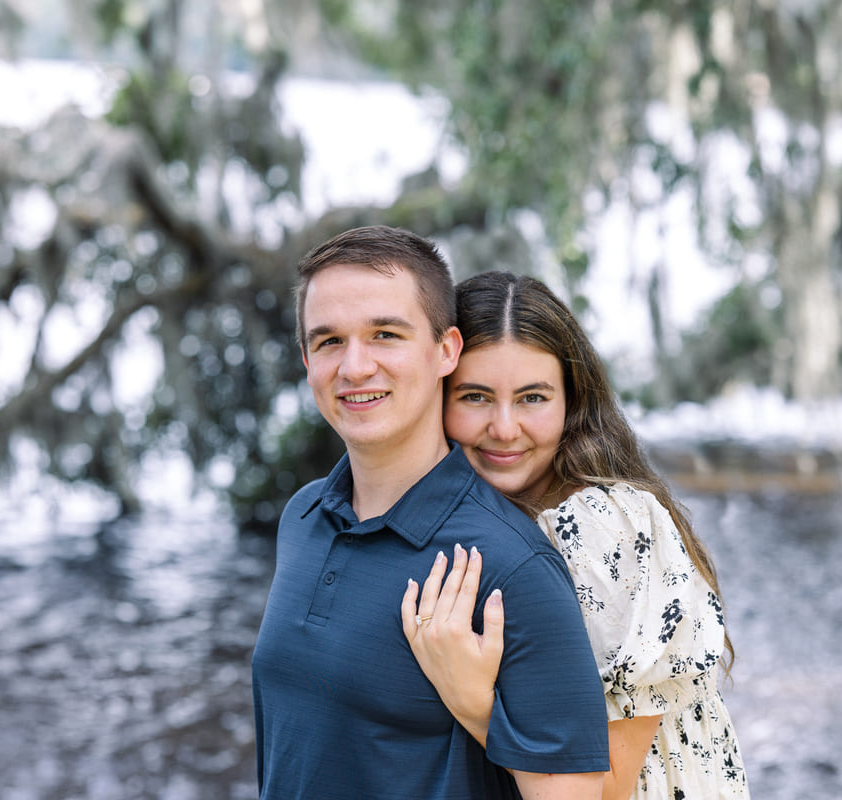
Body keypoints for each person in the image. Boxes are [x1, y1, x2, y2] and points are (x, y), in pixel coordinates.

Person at [251, 227, 610, 800]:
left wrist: (478, 707)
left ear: (447, 350)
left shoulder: (512, 566)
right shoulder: (302, 517)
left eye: (385, 335)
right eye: (329, 342)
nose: (356, 366)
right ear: (306, 360)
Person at [401, 271, 750, 799]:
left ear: (572, 401)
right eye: (474, 396)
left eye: (532, 398)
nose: (503, 427)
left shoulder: (606, 528)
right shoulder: (468, 515)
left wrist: (474, 703)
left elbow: (609, 788)